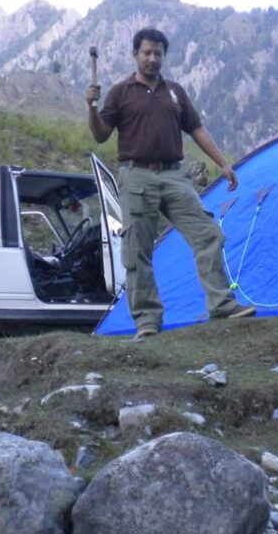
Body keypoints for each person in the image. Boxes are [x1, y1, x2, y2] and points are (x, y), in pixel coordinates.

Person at [86, 27, 256, 338]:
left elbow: (197, 129)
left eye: (157, 53)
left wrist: (223, 163)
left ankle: (221, 305)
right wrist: (91, 107)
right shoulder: (120, 92)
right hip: (135, 175)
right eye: (146, 53)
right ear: (135, 54)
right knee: (137, 250)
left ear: (163, 56)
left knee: (207, 234)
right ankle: (147, 321)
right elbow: (99, 135)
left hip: (174, 175)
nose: (152, 58)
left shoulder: (175, 91)